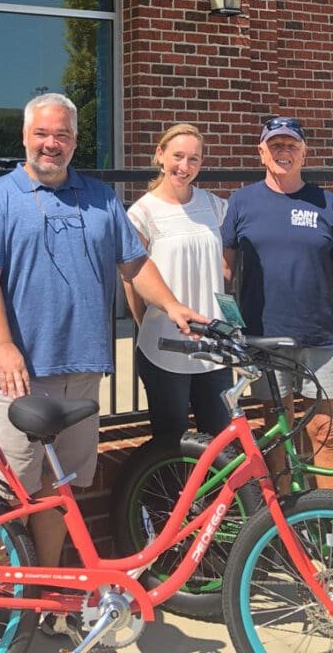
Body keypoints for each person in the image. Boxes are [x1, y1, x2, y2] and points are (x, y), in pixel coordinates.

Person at [0, 93, 204, 572]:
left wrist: (172, 304)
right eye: (42, 134)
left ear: (75, 141)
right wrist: (4, 346)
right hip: (22, 377)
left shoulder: (99, 197)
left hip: (84, 370)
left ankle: (47, 593)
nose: (52, 144)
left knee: (60, 493)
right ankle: (5, 606)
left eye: (63, 135)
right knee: (8, 495)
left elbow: (133, 262)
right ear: (25, 137)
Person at [221, 116, 333, 492]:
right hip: (264, 340)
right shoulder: (242, 202)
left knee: (327, 435)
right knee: (275, 436)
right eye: (275, 145)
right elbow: (225, 271)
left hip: (319, 337)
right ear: (261, 152)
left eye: (291, 145)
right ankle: (281, 531)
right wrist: (225, 325)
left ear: (304, 152)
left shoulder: (326, 203)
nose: (283, 152)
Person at [123, 124, 231, 442]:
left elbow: (225, 264)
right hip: (165, 347)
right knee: (171, 444)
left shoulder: (214, 205)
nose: (184, 167)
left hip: (213, 347)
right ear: (160, 155)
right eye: (178, 156)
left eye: (193, 159)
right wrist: (146, 322)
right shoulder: (142, 212)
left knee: (221, 442)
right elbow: (131, 277)